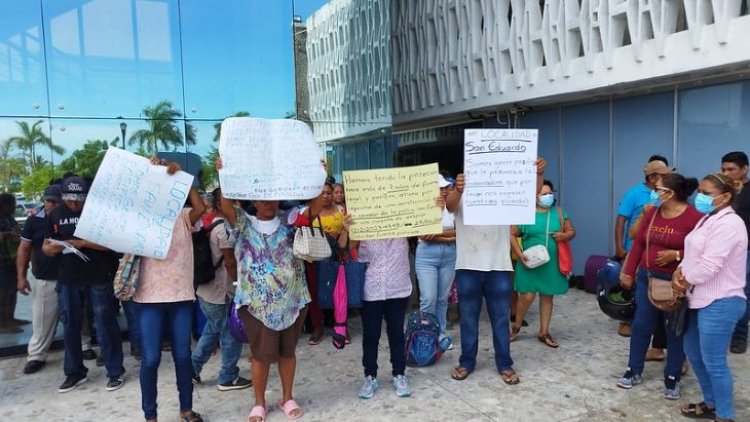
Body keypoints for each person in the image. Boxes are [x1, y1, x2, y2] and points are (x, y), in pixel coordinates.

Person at [217, 157, 310, 422]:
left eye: (273, 197)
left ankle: (287, 397)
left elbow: (314, 210)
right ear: (255, 201)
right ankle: (259, 403)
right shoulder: (242, 223)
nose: (268, 202)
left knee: (287, 352)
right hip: (256, 305)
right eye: (263, 198)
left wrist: (316, 175)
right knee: (260, 356)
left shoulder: (291, 222)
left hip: (292, 301)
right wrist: (224, 173)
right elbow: (224, 205)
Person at [447, 158, 547, 385]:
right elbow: (450, 206)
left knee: (501, 318)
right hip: (468, 266)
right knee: (469, 319)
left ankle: (505, 363)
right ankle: (466, 362)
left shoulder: (505, 192)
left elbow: (530, 195)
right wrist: (458, 188)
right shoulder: (461, 192)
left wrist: (539, 174)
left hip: (499, 266)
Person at [616, 174, 702, 400]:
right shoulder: (653, 213)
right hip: (647, 277)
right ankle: (633, 370)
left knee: (674, 330)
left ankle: (672, 377)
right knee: (642, 325)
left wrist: (677, 254)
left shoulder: (693, 217)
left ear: (670, 193)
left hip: (675, 282)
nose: (654, 192)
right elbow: (639, 243)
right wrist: (628, 270)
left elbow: (703, 251)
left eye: (658, 189)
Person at [132, 158, 206, 422]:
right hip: (149, 298)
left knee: (183, 355)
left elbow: (201, 206)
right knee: (150, 358)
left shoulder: (183, 216)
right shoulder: (141, 219)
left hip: (181, 297)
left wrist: (182, 177)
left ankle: (186, 409)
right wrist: (149, 174)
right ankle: (150, 416)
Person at [673, 173, 748, 422]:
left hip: (721, 300)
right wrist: (679, 271)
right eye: (700, 192)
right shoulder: (708, 218)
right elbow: (693, 252)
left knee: (715, 361)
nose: (700, 197)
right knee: (693, 352)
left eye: (707, 193)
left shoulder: (729, 224)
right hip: (698, 297)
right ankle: (711, 403)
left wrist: (684, 281)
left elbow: (708, 266)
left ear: (725, 196)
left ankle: (725, 415)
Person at [42, 176, 124, 393]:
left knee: (105, 323)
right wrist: (55, 248)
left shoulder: (98, 214)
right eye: (70, 200)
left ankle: (114, 370)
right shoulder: (56, 215)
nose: (75, 205)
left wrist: (83, 243)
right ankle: (74, 371)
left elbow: (112, 244)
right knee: (69, 325)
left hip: (98, 276)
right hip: (69, 278)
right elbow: (46, 247)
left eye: (79, 200)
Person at [338, 220, 413, 399]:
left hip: (398, 285)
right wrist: (347, 229)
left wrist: (434, 207)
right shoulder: (362, 216)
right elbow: (344, 247)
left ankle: (399, 374)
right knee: (371, 336)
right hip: (371, 287)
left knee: (396, 333)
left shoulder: (404, 212)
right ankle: (370, 376)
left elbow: (423, 221)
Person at [191, 188, 252, 391]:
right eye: (231, 201)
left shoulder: (212, 223)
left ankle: (191, 369)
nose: (235, 205)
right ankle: (227, 377)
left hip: (206, 292)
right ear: (220, 203)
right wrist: (240, 287)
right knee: (231, 334)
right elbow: (229, 262)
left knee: (211, 332)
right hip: (220, 293)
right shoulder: (224, 230)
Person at [510, 180, 576, 348]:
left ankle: (544, 332)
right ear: (534, 196)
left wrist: (564, 236)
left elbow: (571, 231)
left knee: (547, 296)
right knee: (527, 295)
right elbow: (511, 234)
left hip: (551, 263)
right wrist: (519, 254)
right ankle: (516, 326)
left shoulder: (559, 213)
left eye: (549, 193)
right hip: (529, 263)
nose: (547, 196)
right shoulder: (525, 214)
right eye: (543, 193)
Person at [614, 155, 671, 344]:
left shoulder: (668, 194)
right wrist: (620, 248)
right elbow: (621, 220)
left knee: (651, 290)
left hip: (656, 253)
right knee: (631, 286)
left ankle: (655, 328)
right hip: (635, 250)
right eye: (663, 174)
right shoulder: (634, 193)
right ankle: (626, 320)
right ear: (653, 177)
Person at [16, 184, 62, 373]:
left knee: (79, 318)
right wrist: (21, 276)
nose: (50, 204)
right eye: (47, 200)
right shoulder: (34, 221)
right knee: (41, 319)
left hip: (71, 277)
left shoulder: (70, 219)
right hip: (45, 277)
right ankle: (36, 355)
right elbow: (24, 249)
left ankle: (84, 347)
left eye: (54, 201)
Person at [297, 182, 345, 346]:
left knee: (338, 292)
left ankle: (339, 326)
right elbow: (298, 230)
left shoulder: (341, 211)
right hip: (314, 260)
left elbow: (349, 229)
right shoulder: (307, 212)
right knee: (315, 293)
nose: (325, 196)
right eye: (322, 193)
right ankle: (317, 327)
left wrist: (339, 232)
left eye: (328, 193)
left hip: (336, 257)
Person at [415, 173, 456, 350]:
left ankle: (440, 334)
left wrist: (440, 235)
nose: (444, 191)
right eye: (440, 188)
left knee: (442, 299)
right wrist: (448, 236)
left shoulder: (453, 206)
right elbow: (423, 235)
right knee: (428, 298)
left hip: (449, 254)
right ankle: (425, 335)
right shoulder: (421, 207)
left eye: (445, 187)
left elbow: (459, 231)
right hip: (427, 255)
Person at [720, 152, 750, 354]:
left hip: (746, 251)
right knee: (721, 292)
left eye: (731, 169)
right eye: (724, 169)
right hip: (722, 250)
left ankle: (739, 336)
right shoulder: (723, 191)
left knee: (743, 294)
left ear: (745, 169)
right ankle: (722, 332)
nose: (727, 173)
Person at [0, 193, 21, 333]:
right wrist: (8, 235)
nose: (14, 207)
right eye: (11, 204)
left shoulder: (9, 219)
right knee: (3, 293)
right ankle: (3, 323)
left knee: (12, 291)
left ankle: (11, 318)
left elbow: (18, 231)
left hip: (11, 260)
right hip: (1, 262)